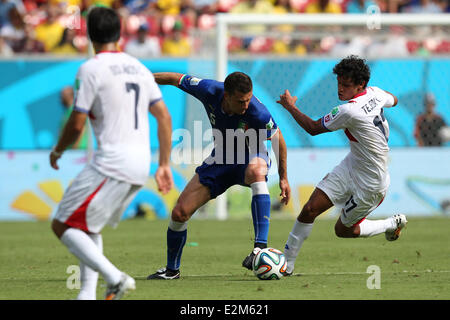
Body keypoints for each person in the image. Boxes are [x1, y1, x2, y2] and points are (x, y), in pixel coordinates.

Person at [49, 6, 173, 300]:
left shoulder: (91, 68)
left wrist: (58, 150)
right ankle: (87, 294)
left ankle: (115, 278)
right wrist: (164, 164)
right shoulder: (140, 68)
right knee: (88, 225)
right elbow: (164, 117)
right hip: (140, 163)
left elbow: (76, 123)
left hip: (111, 162)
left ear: (90, 34)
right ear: (120, 33)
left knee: (62, 223)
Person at [147, 71, 291, 279]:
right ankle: (172, 270)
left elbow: (278, 140)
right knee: (179, 213)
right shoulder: (208, 90)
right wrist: (141, 78)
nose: (246, 105)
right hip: (221, 159)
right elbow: (174, 79)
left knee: (256, 171)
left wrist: (283, 177)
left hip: (252, 154)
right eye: (241, 101)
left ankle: (259, 248)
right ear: (226, 96)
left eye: (249, 99)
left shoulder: (258, 112)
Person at [276, 55, 407, 276]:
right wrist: (378, 101)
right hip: (351, 166)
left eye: (346, 85)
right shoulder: (375, 92)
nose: (340, 89)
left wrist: (290, 107)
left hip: (371, 183)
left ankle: (390, 224)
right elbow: (394, 99)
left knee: (343, 230)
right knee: (309, 209)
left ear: (360, 85)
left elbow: (313, 128)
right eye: (339, 82)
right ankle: (287, 264)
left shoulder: (349, 111)